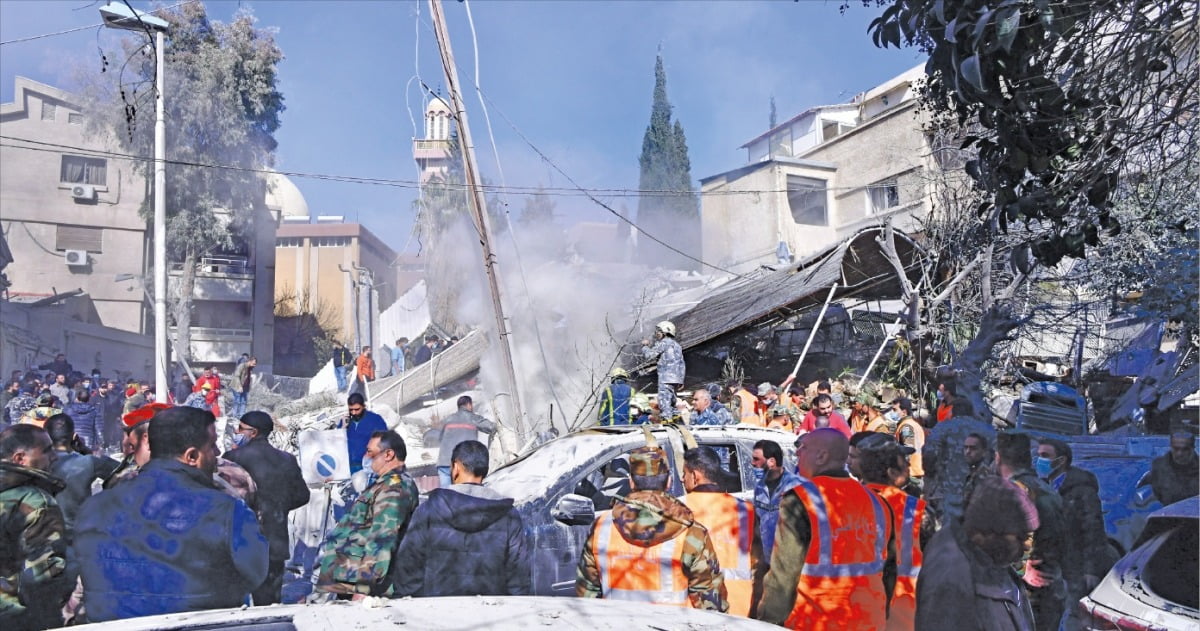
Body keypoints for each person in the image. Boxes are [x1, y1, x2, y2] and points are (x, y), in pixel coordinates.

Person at [76, 406, 268, 622]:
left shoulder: (92, 507)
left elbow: (85, 579)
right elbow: (256, 574)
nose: (216, 454)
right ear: (192, 456)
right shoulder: (228, 511)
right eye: (212, 446)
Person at [756, 428, 895, 629]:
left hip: (817, 621)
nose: (797, 453)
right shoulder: (877, 502)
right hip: (869, 622)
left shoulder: (802, 500)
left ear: (821, 456)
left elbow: (783, 575)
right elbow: (889, 572)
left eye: (803, 448)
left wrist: (768, 622)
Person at [576, 445, 727, 611]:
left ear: (631, 482)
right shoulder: (691, 533)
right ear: (669, 482)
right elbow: (711, 605)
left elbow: (587, 596)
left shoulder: (601, 528)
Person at [392, 440, 530, 597]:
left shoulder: (429, 510)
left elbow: (408, 569)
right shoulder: (508, 516)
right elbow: (518, 577)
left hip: (436, 613)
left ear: (456, 467)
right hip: (492, 614)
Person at [916, 476, 1038, 631]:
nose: (1028, 546)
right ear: (989, 531)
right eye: (1020, 536)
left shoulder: (988, 557)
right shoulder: (951, 580)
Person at [315, 430, 419, 598]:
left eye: (370, 452)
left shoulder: (394, 488)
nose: (366, 456)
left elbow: (382, 539)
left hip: (361, 585)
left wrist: (365, 587)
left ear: (388, 454)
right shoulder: (383, 484)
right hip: (349, 578)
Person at [222, 411, 310, 605]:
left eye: (240, 428)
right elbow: (303, 495)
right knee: (269, 603)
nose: (237, 432)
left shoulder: (233, 458)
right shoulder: (286, 459)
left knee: (235, 606)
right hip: (275, 540)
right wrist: (278, 506)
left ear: (253, 433)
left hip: (240, 539)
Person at [0, 424, 71, 631]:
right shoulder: (35, 501)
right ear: (20, 459)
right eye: (47, 450)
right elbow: (41, 577)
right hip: (15, 618)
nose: (54, 457)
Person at [857, 434, 929, 631]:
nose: (908, 466)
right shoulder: (916, 511)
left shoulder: (841, 506)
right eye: (903, 463)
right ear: (890, 473)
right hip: (902, 617)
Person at [996, 431, 1067, 631]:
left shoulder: (1012, 491)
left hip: (1022, 592)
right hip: (1051, 586)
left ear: (998, 458)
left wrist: (1019, 568)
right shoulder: (1046, 489)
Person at [1036, 437, 1107, 631]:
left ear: (1062, 460)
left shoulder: (1081, 490)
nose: (1039, 460)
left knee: (1072, 618)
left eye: (1045, 456)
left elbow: (1093, 530)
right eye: (1038, 455)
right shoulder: (1043, 487)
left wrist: (1090, 569)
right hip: (1051, 567)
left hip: (1074, 567)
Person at [682, 446, 762, 617]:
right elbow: (760, 564)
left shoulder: (678, 510)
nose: (682, 479)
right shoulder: (747, 510)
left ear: (695, 476)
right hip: (742, 608)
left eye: (685, 474)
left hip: (695, 608)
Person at [922, 402, 996, 529]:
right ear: (972, 413)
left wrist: (930, 479)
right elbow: (998, 458)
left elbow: (929, 455)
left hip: (946, 490)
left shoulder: (942, 427)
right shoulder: (988, 430)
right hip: (979, 491)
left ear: (952, 413)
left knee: (946, 531)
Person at [751, 439, 801, 566]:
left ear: (771, 461)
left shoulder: (795, 486)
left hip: (791, 564)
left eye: (757, 459)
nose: (752, 463)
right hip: (768, 561)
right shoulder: (760, 488)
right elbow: (758, 523)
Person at [435, 395, 496, 487]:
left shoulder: (448, 419)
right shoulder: (472, 418)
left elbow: (439, 438)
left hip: (444, 462)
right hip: (463, 464)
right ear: (469, 405)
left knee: (446, 494)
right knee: (464, 494)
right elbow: (491, 427)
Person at [640, 320, 685, 421]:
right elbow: (682, 364)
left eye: (658, 332)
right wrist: (681, 380)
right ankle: (678, 423)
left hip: (665, 379)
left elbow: (649, 356)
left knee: (664, 405)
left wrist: (645, 346)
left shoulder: (663, 343)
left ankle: (667, 426)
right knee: (672, 405)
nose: (656, 334)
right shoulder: (677, 346)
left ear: (664, 332)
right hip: (675, 380)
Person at [1146, 430, 1199, 505]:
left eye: (1185, 449)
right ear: (1171, 447)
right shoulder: (1158, 467)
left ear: (1193, 448)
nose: (1179, 454)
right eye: (1176, 449)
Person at [341, 393, 387, 475]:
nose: (354, 413)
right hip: (349, 466)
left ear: (363, 406)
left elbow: (385, 441)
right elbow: (337, 442)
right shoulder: (345, 421)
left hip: (368, 465)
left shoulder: (375, 419)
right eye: (351, 410)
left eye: (357, 409)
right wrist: (343, 427)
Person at [892, 398, 925, 490]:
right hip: (916, 470)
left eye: (895, 410)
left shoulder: (907, 427)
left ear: (904, 412)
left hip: (912, 474)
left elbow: (908, 449)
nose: (892, 413)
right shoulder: (913, 424)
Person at [961, 431, 994, 510]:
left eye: (973, 448)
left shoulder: (984, 475)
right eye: (966, 447)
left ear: (984, 452)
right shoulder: (969, 471)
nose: (968, 452)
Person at [94, 380, 124, 452]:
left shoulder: (112, 397)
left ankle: (107, 447)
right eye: (102, 387)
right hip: (98, 421)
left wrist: (116, 416)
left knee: (108, 435)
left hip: (109, 420)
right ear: (99, 388)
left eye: (105, 387)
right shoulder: (94, 398)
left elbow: (117, 407)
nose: (104, 389)